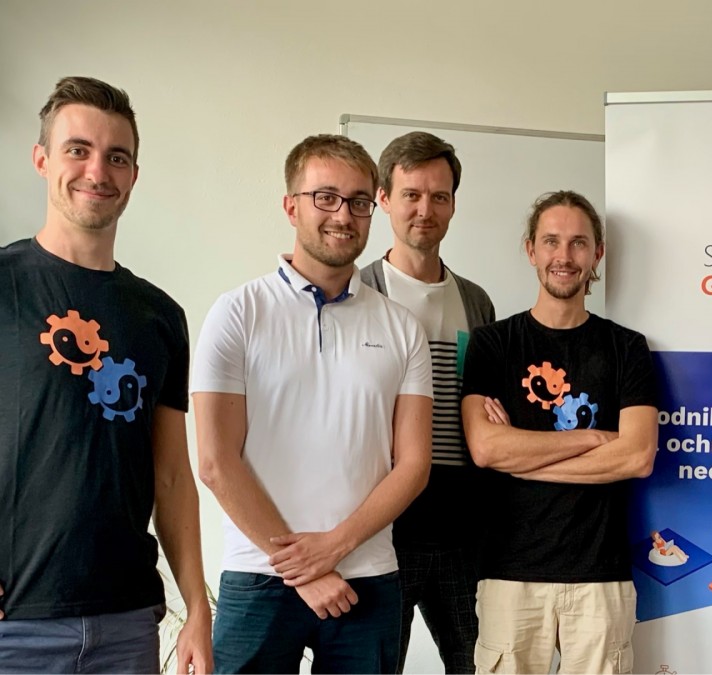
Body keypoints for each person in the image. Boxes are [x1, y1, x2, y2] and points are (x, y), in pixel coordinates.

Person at [193, 134, 432, 673]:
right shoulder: (238, 312)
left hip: (368, 578)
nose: (343, 215)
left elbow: (414, 465)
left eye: (359, 202)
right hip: (260, 576)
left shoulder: (402, 327)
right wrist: (305, 569)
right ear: (291, 206)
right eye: (326, 197)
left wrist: (333, 549)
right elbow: (215, 462)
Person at [0, 75, 211, 675]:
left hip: (127, 624)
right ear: (42, 159)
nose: (98, 171)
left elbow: (172, 477)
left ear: (134, 176)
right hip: (15, 627)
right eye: (78, 149)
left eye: (117, 157)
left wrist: (198, 607)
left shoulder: (160, 316)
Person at [461, 190, 658, 674]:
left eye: (578, 243)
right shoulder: (492, 344)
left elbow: (636, 456)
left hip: (600, 575)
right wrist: (592, 438)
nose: (564, 256)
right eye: (551, 241)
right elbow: (486, 449)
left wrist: (523, 460)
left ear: (597, 253)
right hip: (509, 573)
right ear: (531, 250)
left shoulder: (628, 348)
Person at [359, 131, 494, 673]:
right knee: (378, 664)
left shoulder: (476, 302)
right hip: (384, 524)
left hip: (462, 526)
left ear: (453, 205)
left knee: (476, 662)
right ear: (383, 198)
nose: (425, 209)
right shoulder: (358, 292)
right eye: (411, 194)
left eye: (439, 196)